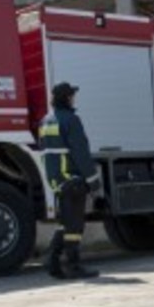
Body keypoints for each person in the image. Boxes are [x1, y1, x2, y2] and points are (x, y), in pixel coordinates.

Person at [39, 82, 103, 279]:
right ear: (67, 98)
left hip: (57, 180)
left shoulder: (46, 121)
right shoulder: (71, 120)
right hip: (73, 179)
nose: (74, 98)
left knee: (66, 223)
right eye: (72, 95)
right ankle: (73, 266)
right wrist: (93, 181)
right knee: (74, 226)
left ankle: (52, 260)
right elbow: (81, 153)